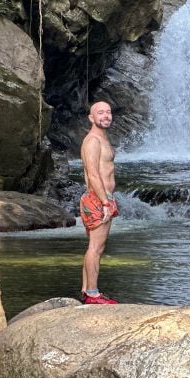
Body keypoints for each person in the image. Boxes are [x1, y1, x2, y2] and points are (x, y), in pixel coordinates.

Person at [79, 100, 119, 304]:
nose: (106, 116)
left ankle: (87, 290)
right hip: (97, 197)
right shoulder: (92, 141)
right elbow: (93, 174)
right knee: (96, 247)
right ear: (91, 118)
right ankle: (93, 294)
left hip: (102, 196)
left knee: (94, 247)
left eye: (108, 112)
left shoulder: (103, 139)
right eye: (100, 112)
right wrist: (105, 201)